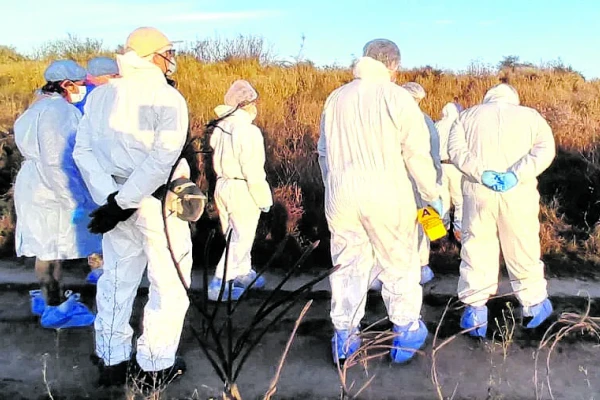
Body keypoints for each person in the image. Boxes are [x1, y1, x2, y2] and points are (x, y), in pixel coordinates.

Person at [74, 27, 190, 386]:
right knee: (169, 283)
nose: (171, 58)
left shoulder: (100, 97)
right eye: (168, 51)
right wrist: (122, 202)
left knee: (116, 280)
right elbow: (161, 159)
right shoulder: (166, 98)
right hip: (156, 205)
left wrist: (108, 200)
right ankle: (154, 366)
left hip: (115, 204)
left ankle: (111, 359)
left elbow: (84, 151)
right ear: (153, 55)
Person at [318, 39, 442, 365]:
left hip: (342, 193)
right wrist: (432, 196)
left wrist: (333, 185)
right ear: (394, 65)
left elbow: (324, 152)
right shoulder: (398, 97)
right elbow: (416, 154)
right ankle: (404, 332)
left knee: (347, 265)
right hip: (387, 193)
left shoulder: (336, 98)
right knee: (398, 262)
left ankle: (344, 336)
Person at [448, 83, 556, 337]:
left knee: (477, 247)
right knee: (523, 246)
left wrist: (481, 173)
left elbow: (456, 152)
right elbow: (545, 150)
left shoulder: (466, 117)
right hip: (518, 192)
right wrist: (516, 174)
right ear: (513, 98)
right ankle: (533, 305)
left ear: (487, 98)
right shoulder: (531, 117)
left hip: (478, 191)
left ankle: (475, 311)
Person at [15, 60, 95, 329]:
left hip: (33, 184)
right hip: (48, 188)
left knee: (44, 247)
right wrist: (74, 198)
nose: (83, 88)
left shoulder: (35, 108)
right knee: (51, 250)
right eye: (81, 84)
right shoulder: (58, 111)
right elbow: (56, 159)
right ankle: (55, 307)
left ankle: (47, 299)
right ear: (66, 84)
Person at [207, 80, 272, 302]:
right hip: (242, 186)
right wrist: (262, 197)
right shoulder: (248, 131)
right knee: (241, 236)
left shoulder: (222, 126)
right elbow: (252, 167)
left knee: (232, 233)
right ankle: (220, 281)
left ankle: (242, 273)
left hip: (223, 184)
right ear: (246, 104)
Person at [402, 82, 442, 285]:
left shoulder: (387, 119)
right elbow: (431, 157)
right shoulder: (424, 121)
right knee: (422, 226)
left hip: (395, 184)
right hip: (421, 183)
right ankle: (421, 267)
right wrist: (435, 186)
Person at [435, 102, 464, 242]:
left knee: (443, 199)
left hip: (439, 166)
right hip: (455, 165)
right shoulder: (459, 124)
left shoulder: (437, 125)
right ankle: (458, 230)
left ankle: (442, 233)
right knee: (459, 200)